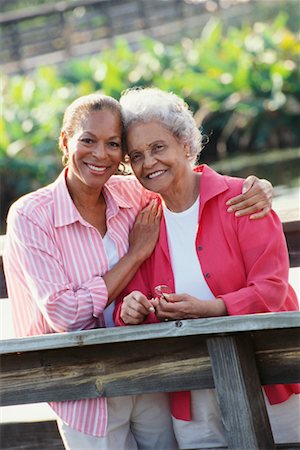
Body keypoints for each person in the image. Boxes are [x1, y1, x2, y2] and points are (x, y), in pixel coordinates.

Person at [4, 92, 273, 450]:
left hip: (149, 375)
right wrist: (134, 255)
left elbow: (182, 180)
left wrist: (257, 187)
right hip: (82, 388)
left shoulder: (133, 194)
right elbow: (65, 315)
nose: (100, 154)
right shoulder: (31, 216)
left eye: (113, 144)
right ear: (66, 142)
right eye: (88, 140)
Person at [114, 87, 300, 449]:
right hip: (191, 392)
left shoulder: (241, 199)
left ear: (185, 143)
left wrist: (212, 310)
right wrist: (131, 308)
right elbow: (132, 299)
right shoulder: (144, 221)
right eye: (136, 155)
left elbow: (272, 290)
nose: (148, 163)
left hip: (271, 377)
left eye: (157, 148)